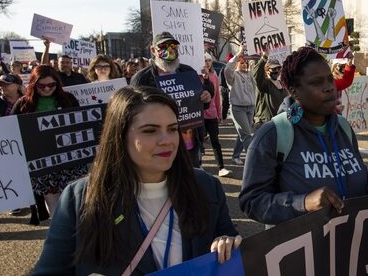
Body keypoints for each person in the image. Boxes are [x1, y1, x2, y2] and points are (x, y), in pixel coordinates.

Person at [32, 87, 241, 275]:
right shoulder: (80, 198)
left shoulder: (205, 186)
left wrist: (227, 243)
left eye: (172, 128)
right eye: (150, 130)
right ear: (119, 135)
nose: (166, 140)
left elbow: (228, 241)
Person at [239, 47, 368, 226]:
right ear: (294, 91)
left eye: (330, 79)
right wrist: (303, 203)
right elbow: (252, 202)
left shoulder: (343, 127)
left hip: (348, 245)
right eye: (316, 82)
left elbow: (357, 172)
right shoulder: (272, 134)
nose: (329, 87)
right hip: (303, 250)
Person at [11, 65, 85, 225]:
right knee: (53, 201)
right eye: (41, 85)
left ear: (57, 84)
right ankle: (61, 234)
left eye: (51, 85)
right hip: (41, 163)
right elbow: (9, 128)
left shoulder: (69, 99)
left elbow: (81, 124)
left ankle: (78, 233)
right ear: (33, 84)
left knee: (76, 199)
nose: (46, 89)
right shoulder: (23, 104)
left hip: (70, 160)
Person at [130, 32, 213, 170]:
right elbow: (133, 113)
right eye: (163, 46)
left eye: (173, 46)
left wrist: (206, 97)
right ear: (153, 50)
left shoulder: (188, 72)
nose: (169, 50)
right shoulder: (141, 79)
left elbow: (200, 104)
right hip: (159, 147)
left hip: (189, 145)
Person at [224, 47, 256, 165]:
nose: (244, 64)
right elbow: (227, 69)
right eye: (241, 62)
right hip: (238, 108)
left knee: (243, 133)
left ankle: (235, 155)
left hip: (250, 108)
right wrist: (238, 54)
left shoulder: (249, 74)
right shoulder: (233, 76)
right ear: (237, 63)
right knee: (247, 134)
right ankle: (253, 159)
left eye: (245, 62)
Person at [201, 53, 231, 177]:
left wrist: (219, 114)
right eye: (205, 60)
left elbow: (217, 97)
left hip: (212, 114)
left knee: (215, 141)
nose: (208, 63)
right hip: (199, 115)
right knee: (199, 141)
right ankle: (199, 165)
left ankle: (221, 167)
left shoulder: (214, 76)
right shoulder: (197, 77)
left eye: (209, 60)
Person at [252, 52, 287, 128]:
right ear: (267, 69)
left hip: (280, 123)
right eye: (274, 68)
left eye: (278, 68)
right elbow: (256, 74)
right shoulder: (263, 83)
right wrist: (264, 57)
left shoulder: (282, 84)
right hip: (265, 123)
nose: (277, 71)